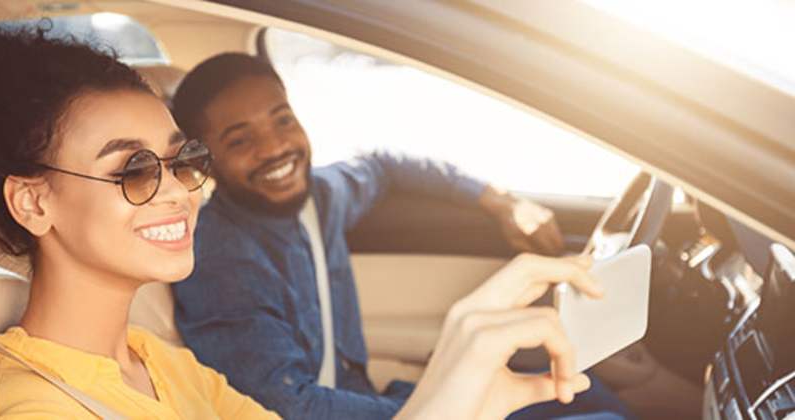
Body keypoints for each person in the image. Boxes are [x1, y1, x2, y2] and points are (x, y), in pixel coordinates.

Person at [0, 24, 599, 419]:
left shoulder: (155, 363)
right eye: (133, 171)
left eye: (182, 161)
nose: (180, 193)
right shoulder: (31, 411)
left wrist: (461, 391)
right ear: (33, 202)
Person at [171, 53, 630, 419]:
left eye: (282, 119)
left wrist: (501, 201)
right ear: (203, 164)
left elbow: (387, 164)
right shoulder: (219, 258)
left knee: (590, 396)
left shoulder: (322, 196)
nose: (274, 147)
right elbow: (290, 407)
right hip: (349, 412)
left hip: (364, 396)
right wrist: (446, 405)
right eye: (239, 140)